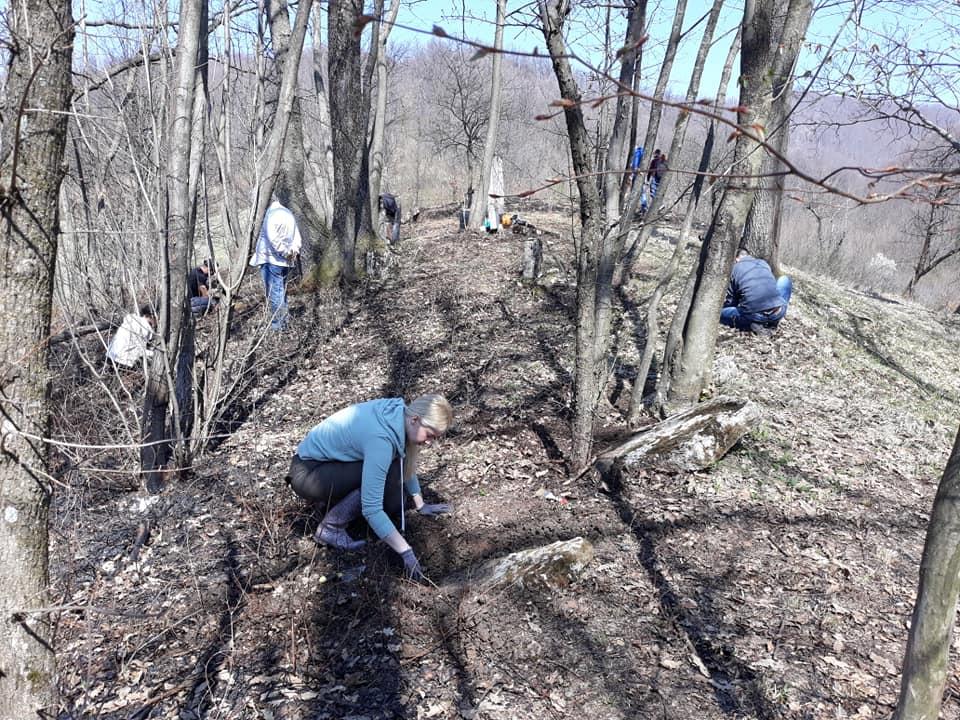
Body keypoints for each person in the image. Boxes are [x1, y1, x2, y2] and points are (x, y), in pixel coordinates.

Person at [286, 394, 454, 583]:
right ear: (415, 419)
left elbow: (405, 461)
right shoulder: (382, 439)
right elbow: (371, 508)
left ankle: (333, 503)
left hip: (327, 464)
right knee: (381, 482)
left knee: (388, 482)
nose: (430, 442)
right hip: (308, 473)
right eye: (430, 435)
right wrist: (406, 552)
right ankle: (331, 527)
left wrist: (420, 503)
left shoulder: (399, 416)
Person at [250, 191, 301, 330]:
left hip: (272, 260)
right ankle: (283, 322)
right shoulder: (287, 212)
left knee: (275, 294)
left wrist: (286, 253)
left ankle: (279, 327)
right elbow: (297, 236)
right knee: (280, 292)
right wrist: (293, 251)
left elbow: (273, 239)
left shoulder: (271, 215)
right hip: (284, 261)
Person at [721, 249, 793, 336]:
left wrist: (726, 308)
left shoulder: (734, 269)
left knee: (721, 314)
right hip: (778, 312)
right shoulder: (763, 263)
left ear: (736, 259)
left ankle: (753, 324)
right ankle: (773, 322)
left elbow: (731, 301)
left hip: (754, 316)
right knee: (785, 279)